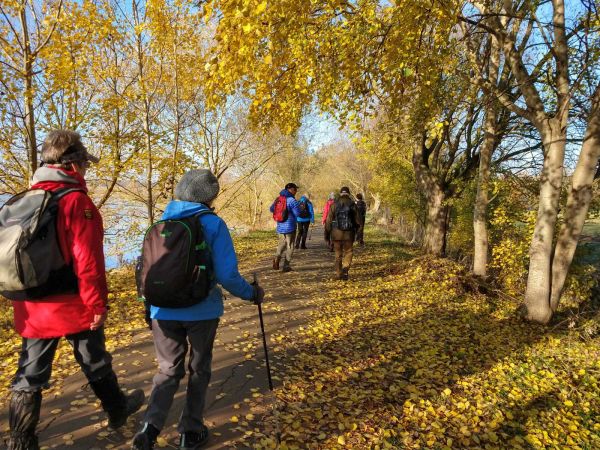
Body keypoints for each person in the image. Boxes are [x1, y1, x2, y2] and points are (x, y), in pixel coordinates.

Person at [6, 130, 145, 450]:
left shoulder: (26, 199)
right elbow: (89, 262)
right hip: (73, 304)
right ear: (73, 164)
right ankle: (117, 409)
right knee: (94, 360)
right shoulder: (75, 201)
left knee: (29, 375)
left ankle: (20, 442)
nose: (85, 170)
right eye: (84, 164)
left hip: (32, 305)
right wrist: (97, 306)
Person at [132, 169, 265, 450]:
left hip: (162, 311)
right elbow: (228, 276)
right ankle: (190, 431)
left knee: (168, 371)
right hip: (202, 311)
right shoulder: (213, 224)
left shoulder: (161, 222)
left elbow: (143, 271)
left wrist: (148, 307)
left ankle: (149, 428)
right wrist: (252, 293)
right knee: (199, 369)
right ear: (210, 196)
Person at [325, 186, 363, 280]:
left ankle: (338, 273)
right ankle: (345, 271)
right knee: (348, 252)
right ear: (348, 194)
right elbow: (359, 221)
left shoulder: (334, 204)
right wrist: (359, 235)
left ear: (340, 194)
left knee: (338, 255)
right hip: (349, 234)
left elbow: (328, 220)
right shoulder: (352, 205)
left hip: (336, 234)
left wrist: (327, 235)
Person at [269, 183, 302, 272]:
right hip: (290, 227)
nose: (296, 191)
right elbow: (297, 213)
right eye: (295, 189)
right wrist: (300, 208)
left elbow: (271, 209)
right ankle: (286, 266)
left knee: (281, 244)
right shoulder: (292, 200)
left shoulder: (278, 198)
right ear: (290, 189)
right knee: (290, 246)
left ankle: (277, 258)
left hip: (280, 227)